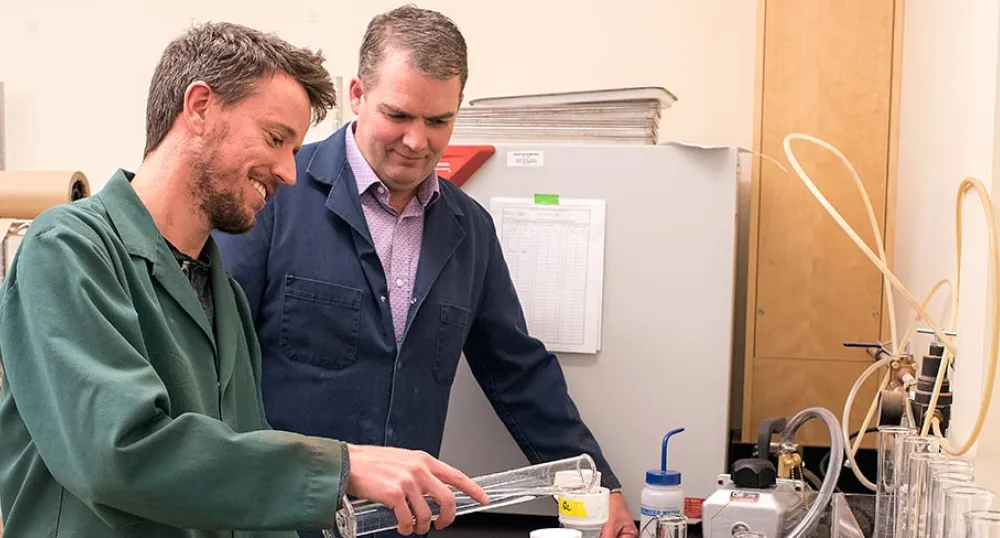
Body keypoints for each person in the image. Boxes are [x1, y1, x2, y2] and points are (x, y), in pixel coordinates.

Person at [0, 21, 488, 538]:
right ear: (200, 107)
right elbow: (119, 453)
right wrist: (342, 467)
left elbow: (243, 492)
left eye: (294, 149)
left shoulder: (222, 293)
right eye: (276, 139)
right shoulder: (69, 249)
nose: (289, 172)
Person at [213, 6, 638, 538]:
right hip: (273, 521)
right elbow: (212, 367)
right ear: (358, 94)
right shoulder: (275, 197)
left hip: (402, 527)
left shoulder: (470, 231)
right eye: (398, 115)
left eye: (438, 121)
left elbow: (519, 373)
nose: (417, 141)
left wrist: (598, 484)